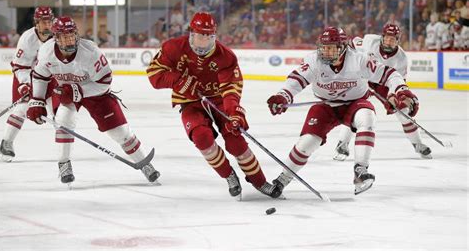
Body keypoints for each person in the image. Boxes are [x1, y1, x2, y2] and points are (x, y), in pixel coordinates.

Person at [267, 26, 418, 195]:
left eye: (331, 48)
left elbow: (390, 74)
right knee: (307, 143)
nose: (325, 52)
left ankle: (360, 171)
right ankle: (282, 180)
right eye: (324, 47)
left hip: (355, 102)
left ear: (343, 48)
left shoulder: (358, 60)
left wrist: (401, 90)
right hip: (326, 106)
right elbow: (296, 80)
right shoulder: (313, 60)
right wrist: (283, 96)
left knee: (367, 118)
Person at [146, 11, 281, 199]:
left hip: (219, 99)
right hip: (189, 102)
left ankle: (259, 181)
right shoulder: (173, 48)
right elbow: (154, 75)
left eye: (208, 37)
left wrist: (234, 113)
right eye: (199, 36)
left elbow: (231, 89)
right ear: (191, 33)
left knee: (236, 141)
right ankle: (228, 175)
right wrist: (178, 81)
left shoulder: (226, 56)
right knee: (201, 138)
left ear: (214, 36)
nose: (203, 43)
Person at [26, 16, 160, 185]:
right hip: (68, 92)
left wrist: (78, 91)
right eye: (63, 36)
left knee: (120, 132)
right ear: (55, 38)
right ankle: (64, 163)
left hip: (95, 92)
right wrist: (36, 100)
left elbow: (105, 82)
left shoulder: (90, 52)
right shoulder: (46, 52)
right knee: (63, 120)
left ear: (76, 34)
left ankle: (144, 163)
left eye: (71, 35)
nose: (68, 39)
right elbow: (39, 76)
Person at [333, 24, 432, 161]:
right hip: (363, 76)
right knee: (355, 108)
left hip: (383, 81)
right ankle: (342, 144)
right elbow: (351, 45)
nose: (389, 41)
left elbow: (396, 81)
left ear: (398, 40)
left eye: (393, 39)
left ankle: (418, 144)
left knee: (402, 109)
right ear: (382, 37)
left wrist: (392, 96)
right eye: (387, 38)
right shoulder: (369, 41)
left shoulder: (401, 58)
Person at [0, 7, 55, 162]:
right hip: (26, 76)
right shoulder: (27, 38)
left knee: (59, 108)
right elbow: (20, 66)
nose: (47, 24)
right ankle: (6, 143)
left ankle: (64, 141)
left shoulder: (58, 36)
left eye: (49, 21)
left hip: (49, 78)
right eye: (44, 21)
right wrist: (25, 84)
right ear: (36, 22)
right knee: (21, 108)